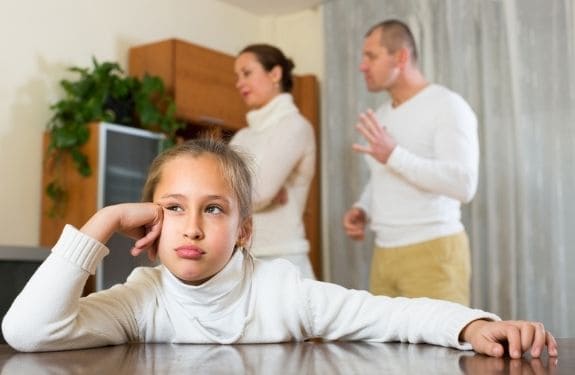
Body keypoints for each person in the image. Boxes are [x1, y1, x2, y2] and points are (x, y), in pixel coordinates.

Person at [2, 137, 558, 359]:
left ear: (245, 230)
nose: (191, 227)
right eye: (173, 208)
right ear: (149, 221)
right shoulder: (140, 298)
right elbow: (26, 332)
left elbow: (393, 313)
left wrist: (473, 326)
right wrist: (103, 221)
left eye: (213, 209)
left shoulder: (283, 291)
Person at [343, 19, 478, 305]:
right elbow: (383, 175)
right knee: (384, 349)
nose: (361, 66)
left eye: (371, 56)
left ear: (401, 57)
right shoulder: (380, 114)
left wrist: (394, 155)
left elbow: (463, 183)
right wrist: (363, 209)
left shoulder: (447, 105)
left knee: (441, 349)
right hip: (383, 253)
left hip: (434, 251)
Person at [229, 44, 316, 279]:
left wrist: (247, 189)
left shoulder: (295, 126)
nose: (239, 83)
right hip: (241, 257)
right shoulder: (242, 136)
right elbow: (216, 186)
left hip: (284, 259)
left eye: (246, 73)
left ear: (275, 74)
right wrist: (251, 189)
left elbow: (259, 193)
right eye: (237, 76)